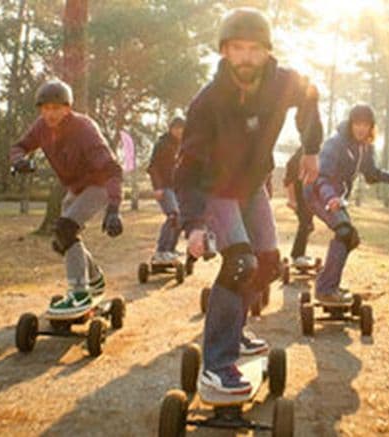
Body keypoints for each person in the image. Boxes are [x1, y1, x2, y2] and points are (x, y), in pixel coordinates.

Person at [175, 7, 323, 396]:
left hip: (253, 185)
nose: (246, 57)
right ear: (224, 51)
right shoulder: (206, 102)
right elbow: (187, 169)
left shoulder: (281, 82)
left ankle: (235, 331)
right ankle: (217, 364)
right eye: (237, 48)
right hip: (217, 190)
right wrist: (192, 224)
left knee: (268, 263)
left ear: (266, 52)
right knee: (240, 262)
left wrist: (311, 147)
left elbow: (310, 94)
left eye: (254, 49)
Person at [9, 79, 124, 318]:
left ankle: (79, 293)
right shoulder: (41, 127)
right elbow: (19, 146)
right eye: (45, 108)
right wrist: (19, 160)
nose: (50, 114)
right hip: (75, 188)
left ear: (67, 108)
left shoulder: (84, 128)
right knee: (62, 240)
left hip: (99, 184)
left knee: (65, 229)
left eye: (56, 108)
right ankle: (95, 279)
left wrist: (114, 207)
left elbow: (112, 169)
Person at [304, 104, 389, 303]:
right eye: (357, 124)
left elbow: (371, 174)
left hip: (336, 198)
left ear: (371, 127)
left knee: (351, 238)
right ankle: (325, 289)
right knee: (344, 232)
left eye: (365, 124)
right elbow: (321, 177)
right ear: (351, 124)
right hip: (318, 193)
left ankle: (328, 283)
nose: (361, 128)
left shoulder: (365, 147)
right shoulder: (335, 144)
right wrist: (330, 198)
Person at [147, 116, 186, 263]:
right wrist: (157, 187)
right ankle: (161, 251)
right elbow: (153, 167)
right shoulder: (162, 144)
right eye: (177, 128)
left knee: (180, 219)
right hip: (164, 187)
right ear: (171, 129)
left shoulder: (182, 146)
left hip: (177, 188)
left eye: (182, 129)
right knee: (172, 215)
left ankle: (170, 249)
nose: (180, 131)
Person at [283, 148, 316, 268]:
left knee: (308, 226)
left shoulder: (313, 153)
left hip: (308, 198)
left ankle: (300, 254)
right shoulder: (296, 158)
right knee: (305, 224)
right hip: (299, 197)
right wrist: (292, 200)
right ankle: (297, 255)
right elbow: (289, 181)